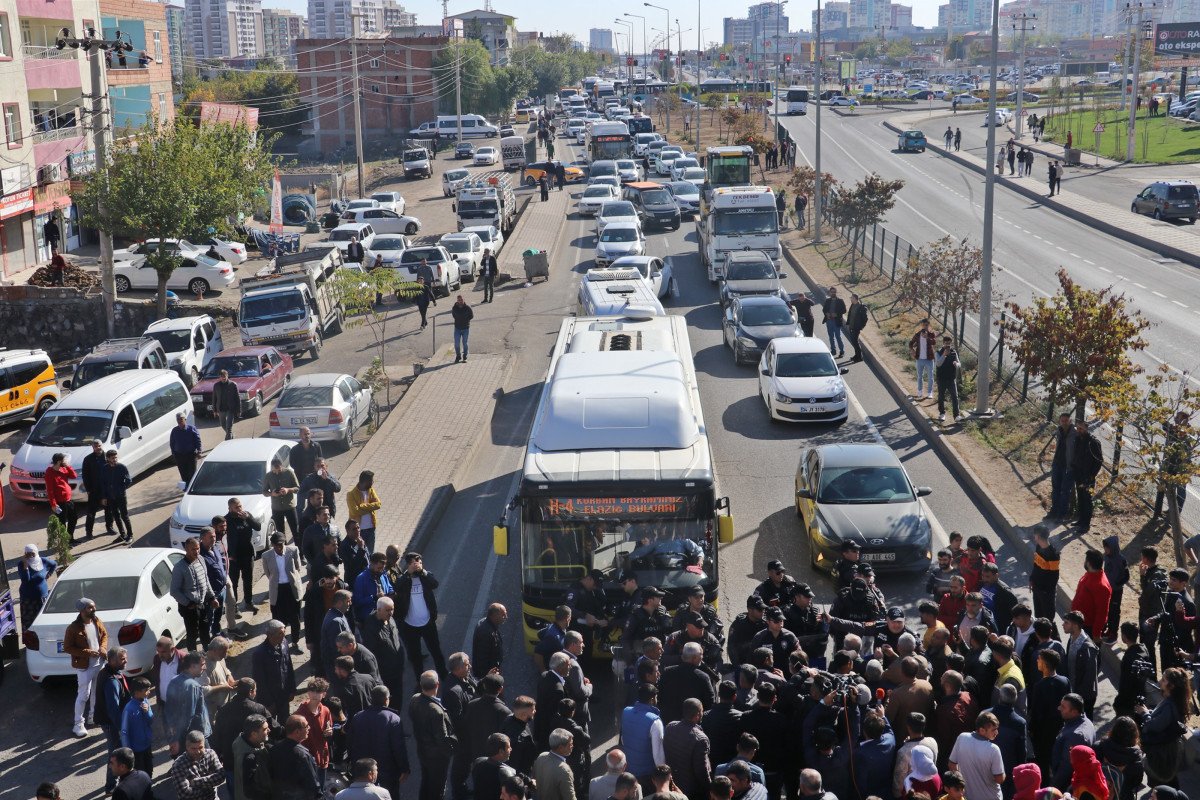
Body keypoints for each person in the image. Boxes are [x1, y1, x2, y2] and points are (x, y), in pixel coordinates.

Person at [395, 552, 447, 679]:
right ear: (407, 565)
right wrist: (408, 573)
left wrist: (422, 571)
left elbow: (434, 583)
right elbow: (397, 586)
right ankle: (420, 681)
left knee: (436, 651)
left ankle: (444, 674)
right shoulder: (404, 579)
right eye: (413, 563)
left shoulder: (425, 576)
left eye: (419, 562)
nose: (416, 565)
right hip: (410, 624)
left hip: (427, 622)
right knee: (415, 656)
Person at [410, 670, 457, 800]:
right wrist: (449, 752)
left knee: (426, 780)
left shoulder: (415, 699)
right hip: (437, 757)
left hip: (423, 750)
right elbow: (442, 738)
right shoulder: (436, 711)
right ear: (437, 684)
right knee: (438, 787)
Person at [172, 537, 217, 651]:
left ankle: (207, 655)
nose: (196, 552)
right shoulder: (179, 567)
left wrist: (212, 597)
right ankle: (193, 659)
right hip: (189, 609)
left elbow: (205, 581)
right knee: (192, 635)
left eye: (198, 549)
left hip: (202, 605)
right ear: (186, 549)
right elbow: (174, 591)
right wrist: (188, 603)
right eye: (193, 549)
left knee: (205, 632)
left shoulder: (201, 559)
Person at [948, 711, 1006, 800]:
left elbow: (951, 765)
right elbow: (999, 779)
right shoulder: (994, 749)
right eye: (993, 730)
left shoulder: (962, 737)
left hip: (967, 797)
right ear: (982, 730)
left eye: (997, 729)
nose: (997, 732)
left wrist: (960, 786)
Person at [251, 620, 298, 722]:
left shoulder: (284, 643)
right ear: (269, 635)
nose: (283, 636)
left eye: (284, 632)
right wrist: (268, 703)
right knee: (270, 725)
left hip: (284, 694)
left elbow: (289, 667)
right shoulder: (259, 654)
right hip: (270, 698)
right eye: (280, 633)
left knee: (285, 721)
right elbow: (259, 680)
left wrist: (292, 689)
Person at [262, 532, 303, 645]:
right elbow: (268, 573)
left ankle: (295, 641)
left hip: (291, 589)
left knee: (295, 618)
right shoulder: (266, 556)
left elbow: (298, 567)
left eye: (281, 544)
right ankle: (280, 642)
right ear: (273, 545)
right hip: (277, 590)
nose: (279, 547)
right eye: (277, 545)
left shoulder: (293, 550)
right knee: (278, 619)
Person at [269, 714, 323, 800]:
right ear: (297, 732)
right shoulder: (302, 755)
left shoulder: (274, 749)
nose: (309, 728)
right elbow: (312, 783)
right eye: (306, 726)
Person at [297, 678, 334, 789]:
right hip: (307, 759)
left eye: (318, 691)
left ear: (324, 694)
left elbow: (329, 729)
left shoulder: (326, 710)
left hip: (322, 757)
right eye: (312, 690)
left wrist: (329, 732)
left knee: (320, 791)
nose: (314, 694)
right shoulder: (300, 714)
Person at [225, 498, 261, 612]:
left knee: (248, 580)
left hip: (247, 553)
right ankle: (234, 607)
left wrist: (248, 519)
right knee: (234, 583)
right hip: (233, 556)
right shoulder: (226, 520)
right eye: (236, 507)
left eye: (240, 506)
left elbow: (258, 527)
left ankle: (249, 602)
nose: (240, 509)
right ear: (230, 508)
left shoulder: (247, 515)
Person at [169, 731, 225, 800]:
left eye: (200, 747)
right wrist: (210, 785)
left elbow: (221, 776)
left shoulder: (211, 754)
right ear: (187, 747)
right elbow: (185, 794)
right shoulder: (178, 765)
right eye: (193, 749)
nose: (198, 752)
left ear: (204, 745)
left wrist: (195, 782)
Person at [1070, 420, 1104, 535]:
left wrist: (1091, 476)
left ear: (1086, 428)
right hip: (1078, 474)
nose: (1079, 430)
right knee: (1080, 498)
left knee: (1087, 500)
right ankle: (1080, 520)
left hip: (1088, 476)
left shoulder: (1093, 442)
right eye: (1078, 428)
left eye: (1081, 428)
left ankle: (1086, 524)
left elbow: (1099, 461)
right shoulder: (1078, 439)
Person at [120, 676, 156, 777]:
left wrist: (147, 712)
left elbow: (151, 720)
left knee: (149, 770)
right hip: (136, 750)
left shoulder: (145, 702)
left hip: (146, 745)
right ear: (136, 692)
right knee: (139, 774)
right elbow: (124, 732)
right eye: (146, 690)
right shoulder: (129, 709)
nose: (149, 692)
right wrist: (128, 752)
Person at [18, 543, 56, 631]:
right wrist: (26, 566)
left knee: (43, 621)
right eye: (28, 554)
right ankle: (31, 643)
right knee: (29, 623)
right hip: (28, 600)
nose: (31, 556)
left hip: (42, 597)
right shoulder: (21, 564)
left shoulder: (43, 561)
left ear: (36, 552)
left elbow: (54, 564)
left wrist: (49, 574)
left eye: (32, 553)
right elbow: (25, 580)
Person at [263, 457, 300, 545]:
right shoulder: (268, 476)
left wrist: (288, 490)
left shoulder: (289, 472)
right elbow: (264, 492)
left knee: (296, 531)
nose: (277, 472)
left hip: (289, 507)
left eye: (279, 470)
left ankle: (300, 553)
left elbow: (297, 488)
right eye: (275, 470)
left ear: (281, 466)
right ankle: (284, 550)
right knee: (280, 533)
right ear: (272, 468)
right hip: (277, 508)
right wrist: (272, 494)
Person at [533, 728, 577, 800]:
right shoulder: (564, 770)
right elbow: (570, 797)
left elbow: (534, 780)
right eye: (570, 744)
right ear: (560, 748)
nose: (572, 746)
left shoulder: (541, 756)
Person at [101, 449, 133, 541]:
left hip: (120, 496)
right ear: (108, 458)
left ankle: (130, 535)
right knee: (116, 516)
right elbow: (103, 483)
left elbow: (128, 480)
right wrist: (104, 497)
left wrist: (121, 489)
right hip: (110, 497)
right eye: (112, 458)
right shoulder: (104, 468)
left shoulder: (122, 467)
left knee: (124, 516)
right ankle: (123, 534)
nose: (114, 459)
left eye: (115, 457)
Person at [45, 452, 79, 540]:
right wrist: (53, 504)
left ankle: (70, 538)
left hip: (68, 500)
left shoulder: (64, 469)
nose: (66, 461)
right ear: (59, 461)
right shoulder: (49, 473)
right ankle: (64, 542)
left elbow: (74, 476)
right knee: (62, 523)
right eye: (64, 460)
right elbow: (50, 490)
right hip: (59, 503)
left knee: (74, 518)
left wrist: (68, 466)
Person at [348, 470, 382, 553]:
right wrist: (370, 508)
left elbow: (378, 504)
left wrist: (362, 506)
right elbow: (354, 511)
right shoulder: (351, 494)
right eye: (371, 480)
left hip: (371, 528)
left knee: (370, 554)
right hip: (359, 530)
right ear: (365, 481)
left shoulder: (371, 490)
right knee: (359, 553)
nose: (373, 482)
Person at [473, 603, 507, 678]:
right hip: (487, 674)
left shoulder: (488, 624)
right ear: (495, 616)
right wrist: (489, 675)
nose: (505, 617)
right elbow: (482, 658)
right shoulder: (485, 632)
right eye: (503, 615)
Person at [170, 412, 203, 484]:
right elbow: (172, 443)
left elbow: (197, 440)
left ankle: (192, 489)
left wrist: (199, 451)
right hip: (179, 456)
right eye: (178, 419)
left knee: (192, 474)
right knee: (184, 475)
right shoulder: (174, 430)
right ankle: (186, 490)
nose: (179, 421)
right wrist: (173, 454)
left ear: (185, 419)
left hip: (190, 455)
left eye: (181, 419)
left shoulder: (191, 429)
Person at [934, 334, 961, 423]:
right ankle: (942, 413)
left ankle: (956, 415)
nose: (947, 345)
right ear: (943, 343)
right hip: (941, 378)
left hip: (951, 379)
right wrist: (944, 355)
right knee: (941, 396)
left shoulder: (954, 352)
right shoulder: (938, 352)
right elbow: (938, 364)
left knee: (955, 397)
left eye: (949, 343)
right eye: (946, 343)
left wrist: (956, 364)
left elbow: (959, 364)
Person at [909, 319, 937, 401]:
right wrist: (912, 350)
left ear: (929, 325)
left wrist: (927, 337)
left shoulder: (931, 334)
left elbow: (934, 342)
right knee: (919, 376)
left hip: (929, 359)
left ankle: (929, 393)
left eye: (927, 325)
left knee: (930, 377)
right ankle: (920, 392)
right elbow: (911, 343)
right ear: (921, 325)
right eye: (924, 325)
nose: (925, 326)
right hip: (919, 359)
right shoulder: (917, 335)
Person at [822, 287, 846, 358]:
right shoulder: (827, 300)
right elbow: (824, 309)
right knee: (831, 336)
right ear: (830, 292)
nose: (833, 293)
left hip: (836, 321)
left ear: (836, 292)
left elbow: (844, 310)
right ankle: (833, 350)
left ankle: (842, 351)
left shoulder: (840, 301)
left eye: (834, 292)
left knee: (838, 336)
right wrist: (827, 314)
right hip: (829, 321)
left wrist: (837, 314)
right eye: (832, 292)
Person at [846, 293, 868, 363]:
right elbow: (850, 315)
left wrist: (861, 327)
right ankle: (856, 355)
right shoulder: (853, 305)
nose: (850, 299)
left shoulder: (861, 307)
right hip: (851, 327)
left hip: (856, 328)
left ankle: (859, 357)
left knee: (855, 342)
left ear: (855, 299)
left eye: (851, 298)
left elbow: (865, 319)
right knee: (853, 342)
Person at [451, 295, 474, 363]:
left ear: (463, 300)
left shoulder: (467, 308)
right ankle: (458, 356)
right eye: (459, 300)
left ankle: (465, 356)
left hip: (465, 328)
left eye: (461, 300)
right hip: (457, 328)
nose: (460, 301)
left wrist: (466, 321)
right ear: (457, 301)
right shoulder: (454, 308)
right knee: (457, 343)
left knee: (465, 343)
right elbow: (454, 315)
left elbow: (471, 316)